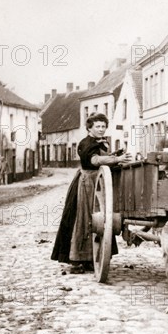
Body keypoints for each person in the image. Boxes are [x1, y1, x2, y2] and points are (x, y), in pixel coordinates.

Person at [51, 113, 132, 274]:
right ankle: (77, 259)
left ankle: (90, 259)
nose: (101, 129)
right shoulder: (85, 143)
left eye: (103, 126)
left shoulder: (101, 143)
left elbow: (102, 159)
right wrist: (116, 159)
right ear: (89, 128)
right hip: (87, 184)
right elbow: (94, 161)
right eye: (98, 126)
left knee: (101, 218)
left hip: (100, 183)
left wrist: (113, 156)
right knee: (85, 218)